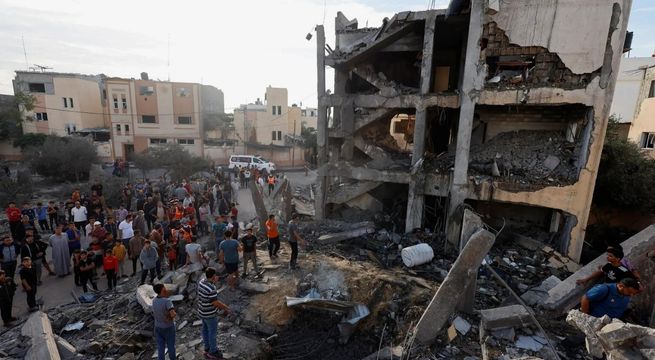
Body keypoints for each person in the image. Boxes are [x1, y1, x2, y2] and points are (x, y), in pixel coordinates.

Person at [197, 267, 230, 359]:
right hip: (210, 313)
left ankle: (207, 348)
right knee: (212, 332)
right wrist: (225, 307)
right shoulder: (211, 288)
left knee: (205, 330)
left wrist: (213, 281)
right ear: (213, 276)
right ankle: (212, 351)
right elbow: (215, 302)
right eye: (215, 276)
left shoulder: (201, 282)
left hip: (202, 311)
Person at [153, 283, 176, 360]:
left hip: (158, 327)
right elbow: (172, 314)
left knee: (160, 348)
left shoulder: (154, 300)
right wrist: (169, 316)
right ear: (163, 290)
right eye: (164, 288)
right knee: (171, 347)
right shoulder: (167, 301)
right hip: (168, 327)